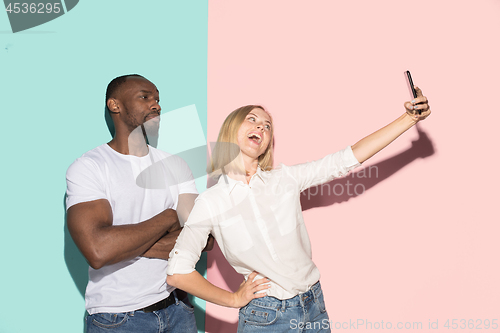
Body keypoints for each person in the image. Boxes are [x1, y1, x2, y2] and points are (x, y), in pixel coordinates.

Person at [166, 87, 431, 332]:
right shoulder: (211, 201)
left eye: (267, 125)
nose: (261, 126)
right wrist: (233, 299)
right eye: (252, 119)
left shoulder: (285, 179)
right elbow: (178, 271)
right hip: (266, 317)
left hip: (313, 303)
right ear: (231, 129)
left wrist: (408, 119)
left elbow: (346, 159)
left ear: (268, 142)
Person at [65, 74, 213, 332]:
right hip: (119, 318)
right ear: (115, 105)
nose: (156, 105)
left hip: (178, 309)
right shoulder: (89, 167)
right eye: (145, 97)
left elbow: (205, 239)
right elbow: (99, 251)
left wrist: (123, 245)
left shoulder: (175, 165)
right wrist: (170, 216)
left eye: (157, 99)